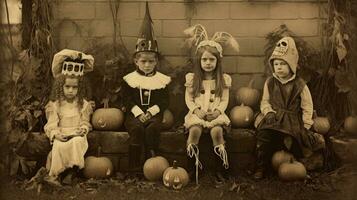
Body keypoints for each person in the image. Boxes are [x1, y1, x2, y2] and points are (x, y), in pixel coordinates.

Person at [253, 37, 325, 179]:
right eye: (276, 64)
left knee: (294, 140)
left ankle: (296, 164)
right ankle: (262, 166)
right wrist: (268, 112)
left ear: (291, 65)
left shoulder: (300, 84)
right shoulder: (270, 82)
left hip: (292, 119)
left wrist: (306, 123)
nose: (279, 67)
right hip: (274, 117)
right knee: (264, 135)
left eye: (283, 64)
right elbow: (265, 101)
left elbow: (307, 105)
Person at [183, 24, 239, 184]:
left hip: (215, 114)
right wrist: (196, 110)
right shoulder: (193, 79)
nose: (208, 63)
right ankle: (193, 167)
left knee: (216, 133)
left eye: (212, 59)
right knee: (194, 132)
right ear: (199, 61)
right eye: (204, 59)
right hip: (198, 114)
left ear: (218, 61)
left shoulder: (223, 80)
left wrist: (218, 112)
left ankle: (221, 168)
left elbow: (224, 100)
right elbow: (189, 99)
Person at [121, 2, 171, 172]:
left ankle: (152, 162)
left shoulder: (162, 80)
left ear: (156, 61)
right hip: (135, 114)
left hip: (154, 114)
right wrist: (139, 113)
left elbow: (164, 101)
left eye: (151, 61)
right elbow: (126, 100)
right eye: (143, 61)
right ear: (136, 61)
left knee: (153, 128)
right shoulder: (129, 80)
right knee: (136, 129)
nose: (147, 65)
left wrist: (150, 112)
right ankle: (134, 166)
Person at [44, 49, 94, 185]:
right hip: (62, 133)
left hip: (76, 133)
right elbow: (52, 124)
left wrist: (83, 129)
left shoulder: (83, 104)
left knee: (77, 142)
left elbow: (85, 121)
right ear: (61, 87)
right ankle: (57, 174)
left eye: (75, 88)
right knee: (59, 146)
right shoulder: (55, 105)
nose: (71, 91)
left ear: (80, 88)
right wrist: (55, 134)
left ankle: (72, 172)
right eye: (67, 87)